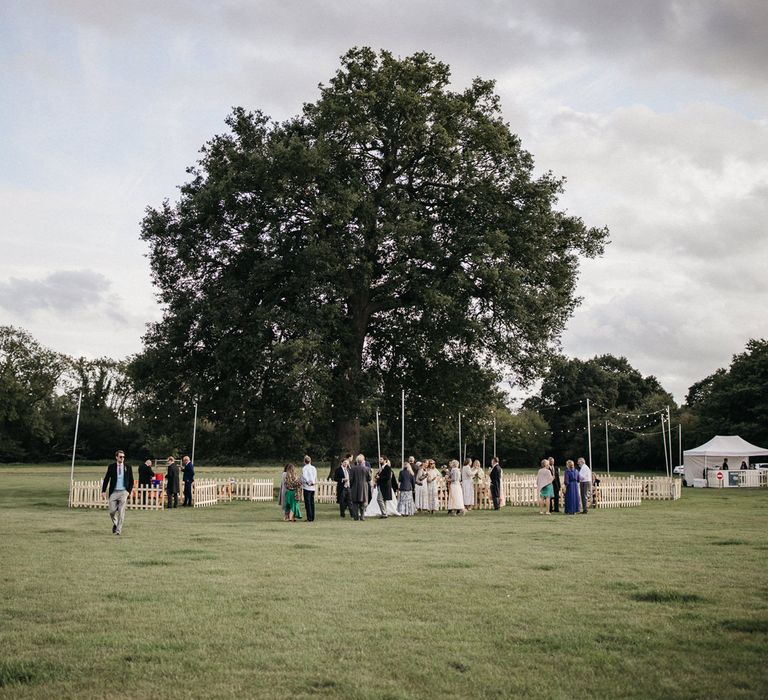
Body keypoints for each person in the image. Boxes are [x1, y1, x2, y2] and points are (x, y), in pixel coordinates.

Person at [101, 450, 134, 535]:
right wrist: (103, 491)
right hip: (114, 492)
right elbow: (106, 479)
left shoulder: (128, 466)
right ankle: (115, 524)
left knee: (121, 512)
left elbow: (131, 480)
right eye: (120, 457)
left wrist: (128, 492)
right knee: (112, 511)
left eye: (123, 457)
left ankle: (118, 530)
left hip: (123, 492)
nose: (122, 458)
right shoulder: (111, 466)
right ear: (116, 457)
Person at [349, 454, 371, 521]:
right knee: (363, 503)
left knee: (355, 503)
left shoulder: (353, 469)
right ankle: (362, 516)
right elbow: (369, 478)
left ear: (357, 461)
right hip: (364, 488)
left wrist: (351, 486)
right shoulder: (367, 469)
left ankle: (356, 517)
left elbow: (351, 479)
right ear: (363, 461)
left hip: (355, 487)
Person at [301, 455, 317, 522]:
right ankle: (312, 517)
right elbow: (315, 476)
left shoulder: (304, 468)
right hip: (313, 487)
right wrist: (313, 482)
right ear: (310, 461)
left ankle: (309, 518)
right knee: (312, 502)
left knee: (308, 503)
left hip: (307, 487)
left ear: (304, 461)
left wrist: (308, 482)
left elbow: (304, 476)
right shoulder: (313, 468)